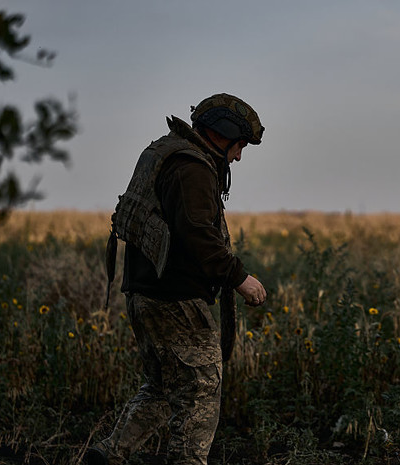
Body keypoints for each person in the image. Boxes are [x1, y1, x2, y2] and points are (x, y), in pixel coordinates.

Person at [86, 93, 267, 465]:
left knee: (163, 386)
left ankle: (108, 455)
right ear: (224, 135)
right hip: (175, 299)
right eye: (240, 146)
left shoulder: (170, 153)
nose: (238, 156)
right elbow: (198, 235)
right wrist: (239, 278)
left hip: (144, 293)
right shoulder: (193, 169)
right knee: (201, 390)